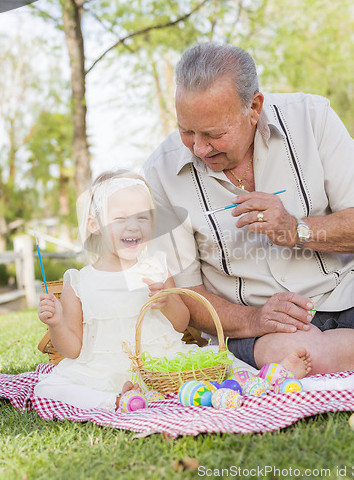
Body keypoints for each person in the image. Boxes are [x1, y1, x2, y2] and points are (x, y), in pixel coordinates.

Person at [143, 42, 354, 376]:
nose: (199, 147)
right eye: (186, 131)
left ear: (254, 107)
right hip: (256, 321)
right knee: (304, 359)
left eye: (213, 134)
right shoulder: (159, 172)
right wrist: (254, 319)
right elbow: (185, 295)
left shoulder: (312, 117)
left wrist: (296, 230)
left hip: (350, 284)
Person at [34, 169, 310, 410]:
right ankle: (115, 401)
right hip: (103, 368)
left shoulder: (153, 267)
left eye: (142, 217)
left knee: (221, 363)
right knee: (46, 389)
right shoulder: (80, 282)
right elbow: (72, 349)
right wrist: (57, 323)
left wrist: (165, 302)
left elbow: (180, 325)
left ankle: (269, 377)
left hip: (162, 364)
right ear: (95, 226)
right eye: (120, 219)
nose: (133, 226)